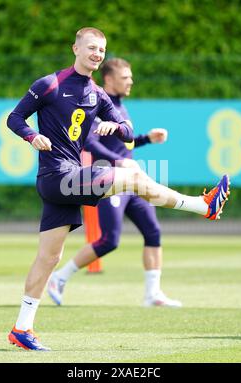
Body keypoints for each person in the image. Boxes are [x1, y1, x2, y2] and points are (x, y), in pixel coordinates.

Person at [7, 27, 230, 351]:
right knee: (131, 179)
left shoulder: (97, 94)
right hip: (57, 176)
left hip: (69, 177)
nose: (97, 53)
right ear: (75, 48)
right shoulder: (50, 84)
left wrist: (117, 126)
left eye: (101, 49)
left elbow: (126, 129)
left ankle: (21, 329)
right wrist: (31, 136)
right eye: (91, 48)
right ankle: (202, 205)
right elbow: (15, 118)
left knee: (48, 258)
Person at [48, 57, 182, 308]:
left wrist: (146, 139)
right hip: (108, 180)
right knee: (109, 240)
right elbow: (90, 143)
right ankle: (58, 278)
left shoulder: (119, 105)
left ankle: (152, 295)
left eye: (130, 77)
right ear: (109, 79)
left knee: (153, 232)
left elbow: (122, 144)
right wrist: (118, 163)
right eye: (125, 77)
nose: (130, 81)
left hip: (131, 182)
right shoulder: (95, 104)